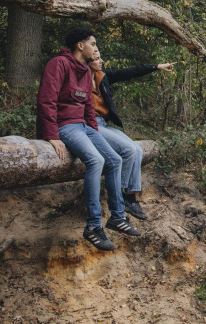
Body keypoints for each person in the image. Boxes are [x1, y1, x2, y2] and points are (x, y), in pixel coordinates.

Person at [36, 27, 141, 251]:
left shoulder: (85, 70)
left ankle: (117, 216)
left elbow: (87, 108)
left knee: (115, 160)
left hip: (84, 126)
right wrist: (52, 135)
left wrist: (94, 132)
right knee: (96, 160)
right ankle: (93, 225)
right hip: (66, 126)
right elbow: (47, 100)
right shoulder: (58, 64)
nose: (95, 48)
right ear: (80, 45)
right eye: (93, 44)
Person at [88, 52, 175, 221]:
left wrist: (157, 67)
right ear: (87, 61)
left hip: (103, 124)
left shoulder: (102, 76)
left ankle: (130, 197)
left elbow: (129, 72)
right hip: (90, 125)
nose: (101, 61)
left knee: (138, 150)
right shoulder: (79, 79)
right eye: (97, 58)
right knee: (128, 149)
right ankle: (118, 195)